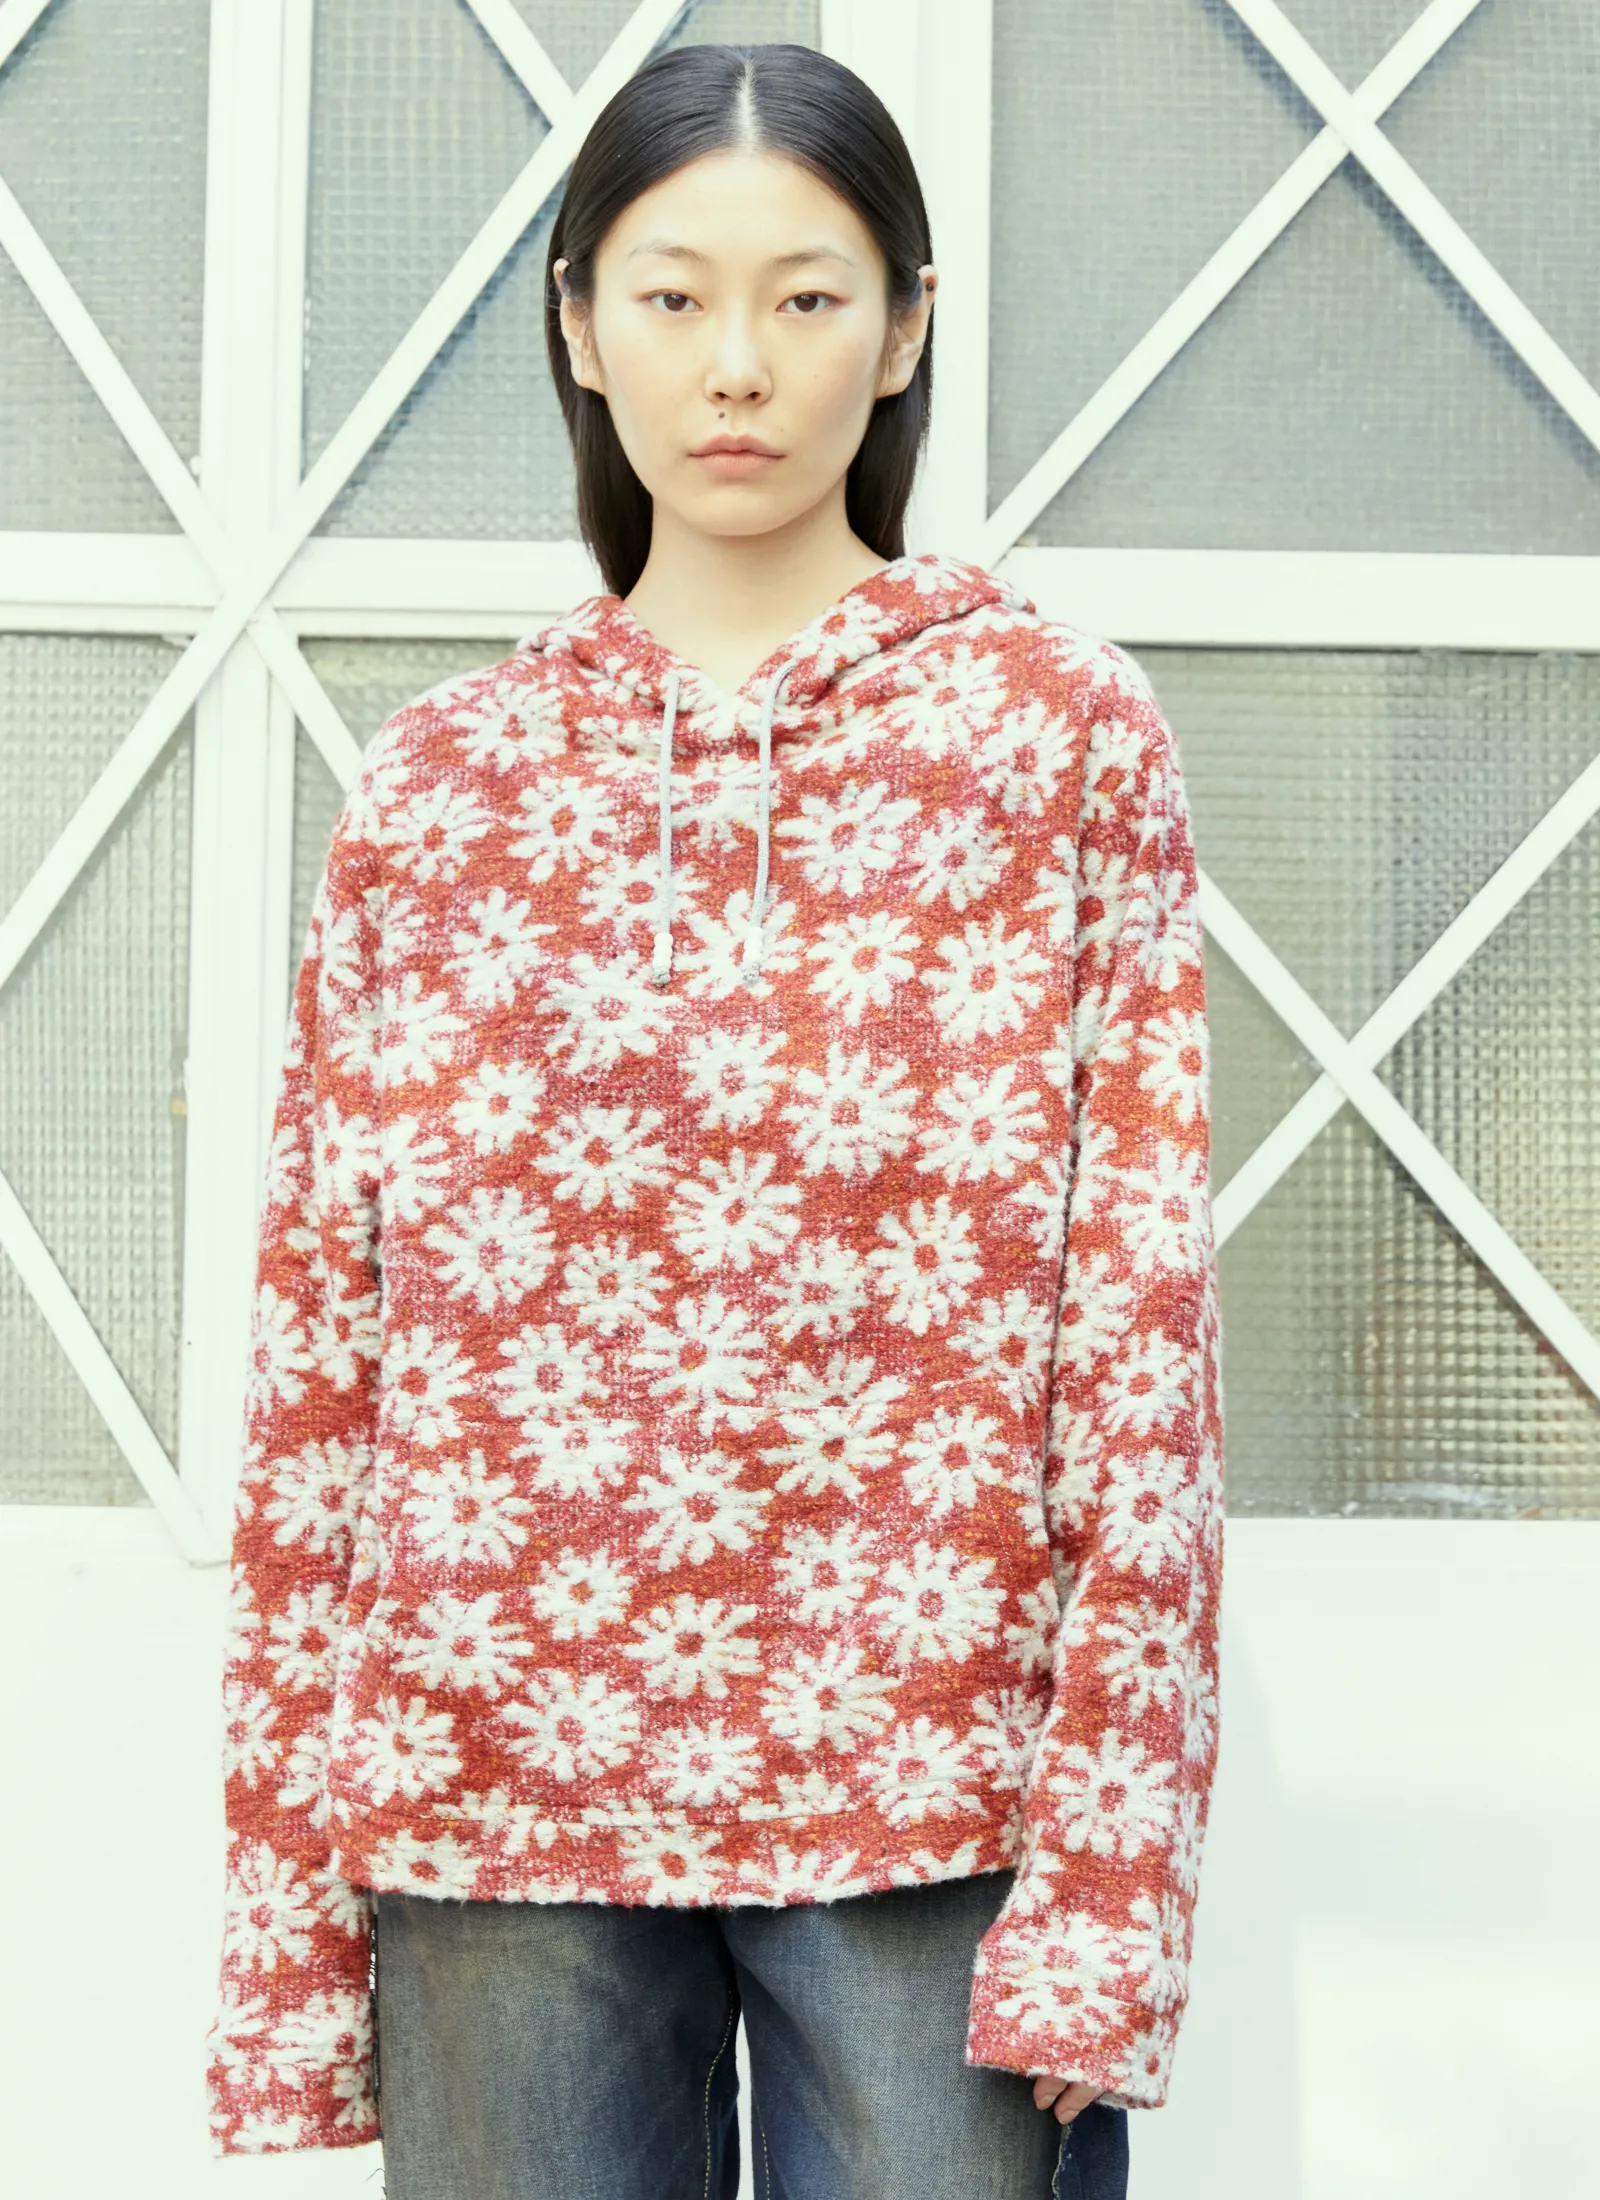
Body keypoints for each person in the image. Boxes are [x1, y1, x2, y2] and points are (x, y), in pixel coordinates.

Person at [203, 40, 1223, 2200]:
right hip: (495, 1783)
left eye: (805, 296)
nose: (736, 363)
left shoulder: (1054, 739)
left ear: (906, 327)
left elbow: (1136, 1332)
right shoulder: (442, 786)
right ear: (579, 326)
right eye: (671, 296)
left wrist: (1110, 1884)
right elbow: (323, 1363)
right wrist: (290, 1911)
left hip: (934, 1784)